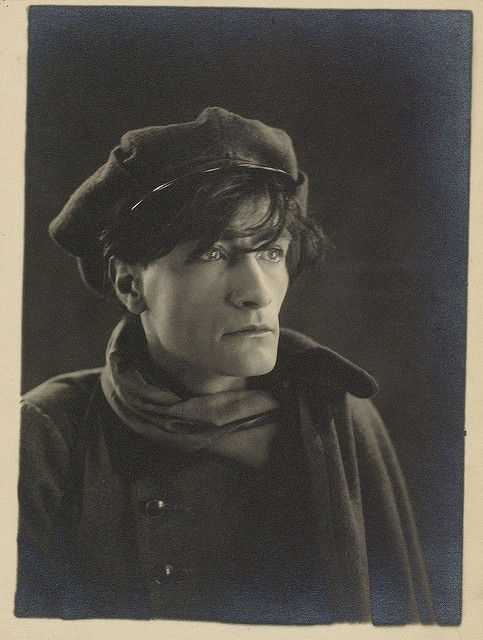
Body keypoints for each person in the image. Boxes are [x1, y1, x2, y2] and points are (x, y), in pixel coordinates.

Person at [15, 107, 434, 624]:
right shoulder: (47, 436)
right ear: (130, 284)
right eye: (212, 254)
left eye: (272, 253)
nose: (257, 293)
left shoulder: (338, 419)